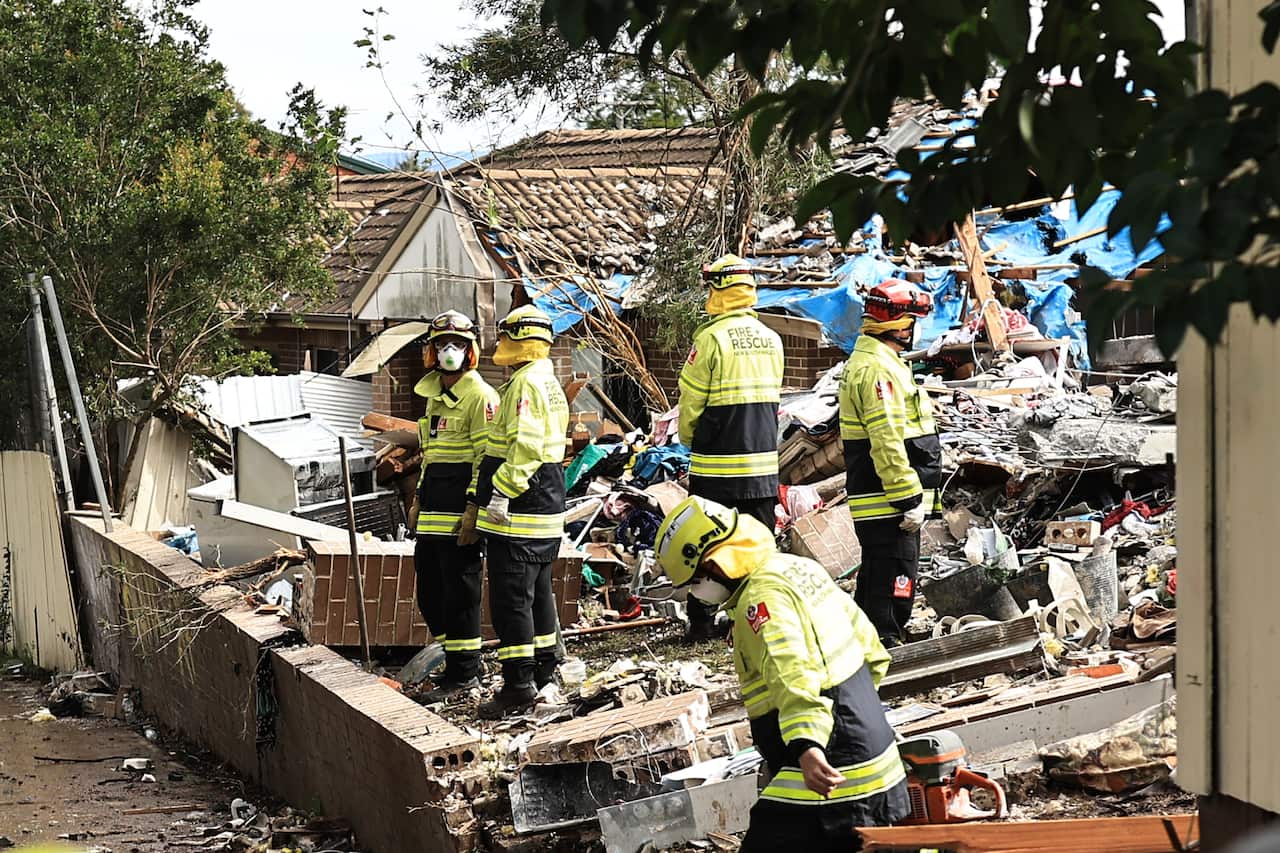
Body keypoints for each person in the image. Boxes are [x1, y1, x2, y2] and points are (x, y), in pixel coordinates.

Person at [653, 495, 908, 852]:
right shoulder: (797, 568)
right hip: (874, 755)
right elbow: (870, 648)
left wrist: (807, 746)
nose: (698, 593)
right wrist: (860, 715)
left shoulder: (762, 601)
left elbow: (792, 672)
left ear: (715, 563)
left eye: (695, 582)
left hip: (836, 775)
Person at [677, 253, 784, 641]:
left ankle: (703, 622)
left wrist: (689, 438)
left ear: (718, 290)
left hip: (716, 470)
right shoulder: (772, 339)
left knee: (710, 547)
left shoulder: (710, 339)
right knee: (758, 544)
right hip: (761, 469)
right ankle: (756, 621)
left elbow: (691, 401)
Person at [474, 304, 570, 719]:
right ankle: (546, 670)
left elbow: (525, 448)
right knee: (539, 594)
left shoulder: (525, 385)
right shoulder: (547, 379)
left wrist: (500, 493)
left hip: (520, 509)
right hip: (545, 507)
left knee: (511, 599)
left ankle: (518, 684)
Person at [838, 279, 942, 645]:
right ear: (897, 324)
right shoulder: (878, 370)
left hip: (881, 497)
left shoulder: (875, 361)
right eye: (913, 320)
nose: (916, 328)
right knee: (894, 579)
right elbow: (887, 442)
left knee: (876, 576)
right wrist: (908, 498)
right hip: (888, 501)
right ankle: (886, 649)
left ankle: (868, 644)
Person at [409, 310, 499, 702]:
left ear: (471, 351)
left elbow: (487, 456)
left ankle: (465, 673)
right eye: (443, 345)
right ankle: (457, 660)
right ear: (431, 351)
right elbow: (430, 455)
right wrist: (416, 499)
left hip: (458, 516)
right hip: (431, 513)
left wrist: (474, 510)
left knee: (461, 595)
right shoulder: (433, 397)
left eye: (459, 345)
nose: (450, 352)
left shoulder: (480, 396)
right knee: (429, 594)